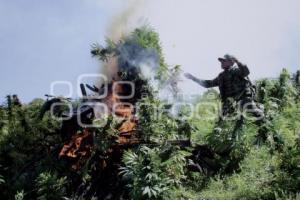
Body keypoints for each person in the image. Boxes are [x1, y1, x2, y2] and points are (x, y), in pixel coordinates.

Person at [185, 55, 268, 144]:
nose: (221, 63)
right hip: (230, 103)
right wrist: (193, 78)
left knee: (252, 110)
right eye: (221, 61)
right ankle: (217, 142)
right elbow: (207, 84)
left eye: (224, 61)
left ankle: (267, 127)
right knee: (221, 119)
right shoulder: (221, 76)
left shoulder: (237, 71)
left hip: (243, 98)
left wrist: (238, 61)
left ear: (231, 62)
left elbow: (246, 72)